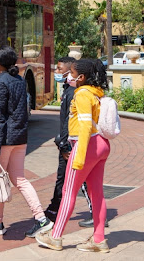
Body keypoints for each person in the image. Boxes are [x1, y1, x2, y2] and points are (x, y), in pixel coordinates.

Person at [36, 58, 111, 253]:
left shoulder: (83, 94)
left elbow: (85, 125)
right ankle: (99, 239)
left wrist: (79, 156)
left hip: (86, 145)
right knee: (97, 194)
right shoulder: (95, 93)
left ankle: (55, 237)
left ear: (81, 77)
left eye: (72, 73)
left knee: (69, 192)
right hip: (100, 144)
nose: (69, 75)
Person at [0, 45, 52, 237]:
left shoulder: (0, 83)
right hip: (19, 138)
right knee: (20, 179)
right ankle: (41, 218)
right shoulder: (19, 80)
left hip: (2, 141)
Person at [44, 57, 100, 227]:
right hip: (67, 144)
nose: (57, 73)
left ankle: (95, 215)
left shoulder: (74, 93)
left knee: (76, 182)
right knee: (65, 180)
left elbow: (76, 123)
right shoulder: (69, 90)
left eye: (60, 70)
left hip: (70, 146)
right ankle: (53, 209)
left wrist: (65, 145)